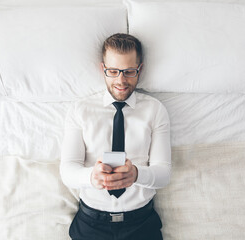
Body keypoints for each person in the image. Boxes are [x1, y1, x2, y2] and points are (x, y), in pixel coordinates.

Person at [60, 33, 171, 240]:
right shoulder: (80, 110)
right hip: (91, 223)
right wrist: (91, 177)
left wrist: (137, 175)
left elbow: (164, 173)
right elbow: (67, 170)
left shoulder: (155, 110)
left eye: (129, 72)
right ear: (103, 69)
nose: (121, 80)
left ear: (140, 69)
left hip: (141, 224)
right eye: (113, 71)